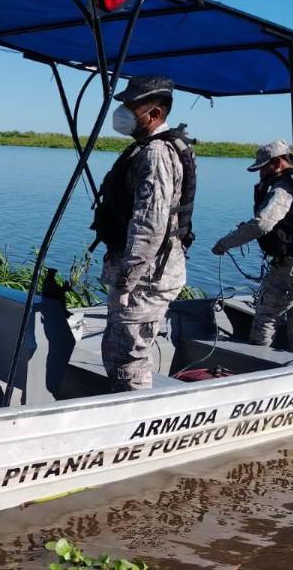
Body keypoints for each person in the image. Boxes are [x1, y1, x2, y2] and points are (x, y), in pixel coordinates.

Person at [94, 76, 197, 391]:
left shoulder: (155, 154)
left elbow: (150, 223)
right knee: (119, 352)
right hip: (147, 273)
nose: (124, 112)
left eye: (131, 106)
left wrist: (127, 280)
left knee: (129, 359)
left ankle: (132, 426)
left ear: (155, 113)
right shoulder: (146, 149)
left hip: (147, 277)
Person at [211, 140, 293, 357]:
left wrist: (225, 244)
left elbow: (263, 223)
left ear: (278, 162)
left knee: (266, 317)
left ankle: (255, 366)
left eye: (263, 167)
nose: (260, 173)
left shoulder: (286, 186)